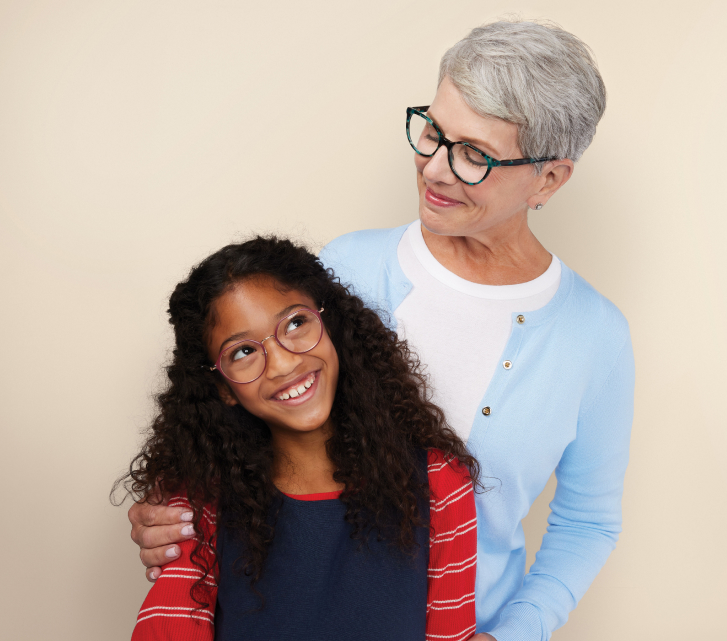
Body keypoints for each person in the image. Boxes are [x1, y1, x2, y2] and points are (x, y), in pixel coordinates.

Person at [129, 20, 634, 641]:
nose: (435, 169)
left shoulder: (594, 337)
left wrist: (515, 633)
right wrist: (176, 519)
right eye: (434, 132)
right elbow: (239, 430)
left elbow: (588, 523)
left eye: (474, 155)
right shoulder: (346, 269)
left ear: (548, 179)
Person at [118, 236, 479, 640]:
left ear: (330, 323)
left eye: (295, 323)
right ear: (222, 388)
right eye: (243, 352)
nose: (283, 364)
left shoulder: (440, 483)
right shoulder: (200, 501)